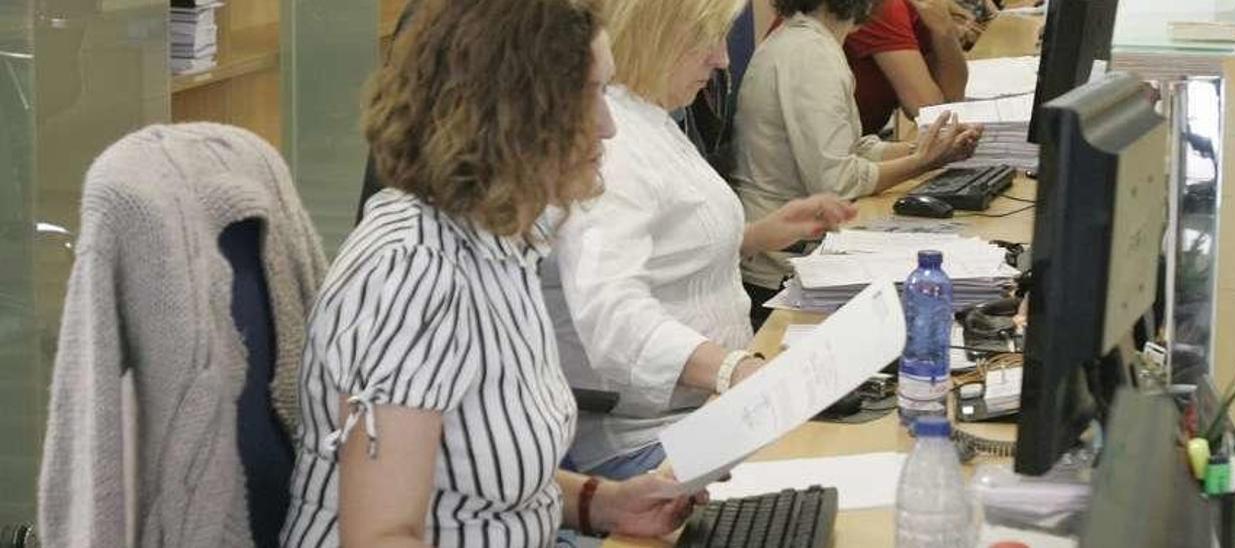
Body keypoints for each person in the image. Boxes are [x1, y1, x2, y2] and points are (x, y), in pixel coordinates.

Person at [280, 1, 699, 546]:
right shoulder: (409, 274)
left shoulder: (501, 239)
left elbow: (477, 476)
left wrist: (605, 505)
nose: (608, 126)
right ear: (515, 111)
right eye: (590, 96)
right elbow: (380, 537)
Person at [542, 0, 858, 482]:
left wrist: (756, 235)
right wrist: (735, 370)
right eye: (706, 40)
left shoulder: (649, 114)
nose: (723, 60)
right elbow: (612, 314)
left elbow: (660, 258)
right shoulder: (610, 143)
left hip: (703, 412)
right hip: (649, 439)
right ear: (657, 34)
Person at [731, 0, 981, 327]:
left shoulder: (812, 41)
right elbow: (837, 182)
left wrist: (925, 147)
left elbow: (853, 148)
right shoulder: (811, 55)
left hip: (801, 253)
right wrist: (923, 162)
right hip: (783, 273)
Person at [845, 0, 971, 135]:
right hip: (846, 144)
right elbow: (931, 114)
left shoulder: (926, 6)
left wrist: (945, 31)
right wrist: (945, 30)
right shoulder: (884, 6)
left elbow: (952, 102)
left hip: (864, 136)